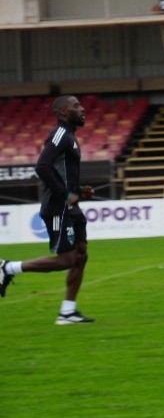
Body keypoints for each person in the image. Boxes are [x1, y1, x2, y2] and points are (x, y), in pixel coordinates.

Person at [0, 95, 96, 323]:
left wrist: (79, 190)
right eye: (76, 106)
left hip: (71, 207)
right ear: (63, 113)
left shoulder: (70, 136)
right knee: (66, 260)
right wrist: (66, 195)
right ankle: (7, 268)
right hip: (57, 208)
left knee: (81, 255)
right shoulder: (60, 135)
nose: (82, 109)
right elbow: (42, 166)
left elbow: (62, 175)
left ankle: (68, 312)